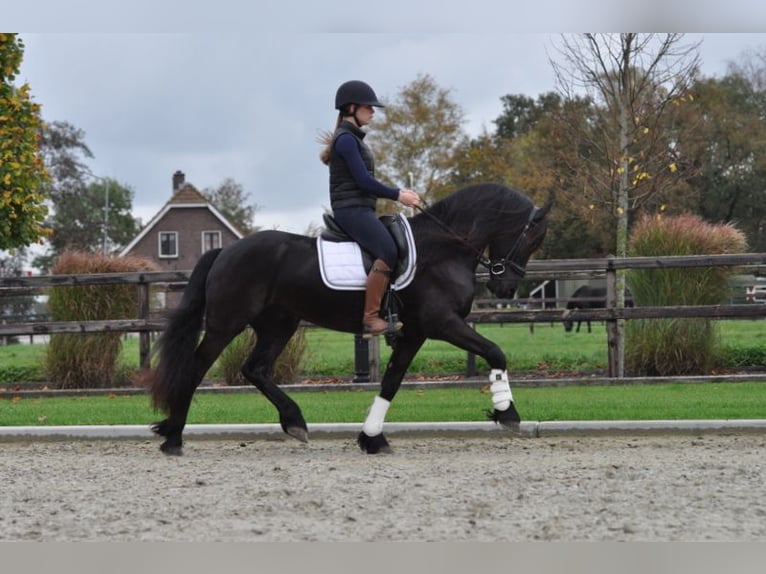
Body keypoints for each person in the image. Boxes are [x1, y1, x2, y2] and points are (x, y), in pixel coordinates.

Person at [320, 80, 421, 337]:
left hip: (360, 208)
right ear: (351, 107)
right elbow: (364, 182)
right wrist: (400, 195)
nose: (373, 112)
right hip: (351, 210)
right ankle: (370, 318)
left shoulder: (351, 139)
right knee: (387, 250)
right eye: (369, 107)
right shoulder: (346, 140)